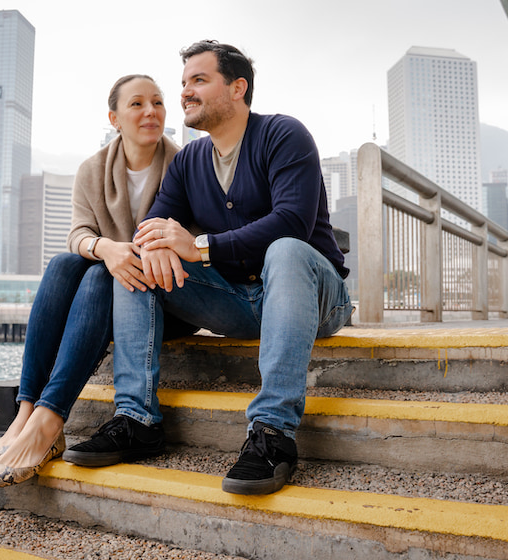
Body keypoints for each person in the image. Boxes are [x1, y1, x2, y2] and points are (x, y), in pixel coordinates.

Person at [62, 41, 353, 496]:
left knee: (287, 250)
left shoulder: (284, 134)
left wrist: (200, 246)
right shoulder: (190, 161)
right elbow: (152, 225)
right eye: (183, 83)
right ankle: (137, 419)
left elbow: (292, 220)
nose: (184, 93)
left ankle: (272, 433)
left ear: (238, 88)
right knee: (137, 260)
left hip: (316, 298)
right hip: (237, 302)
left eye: (198, 80)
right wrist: (153, 243)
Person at [0, 74, 183, 489]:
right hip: (110, 285)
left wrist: (118, 257)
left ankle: (47, 422)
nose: (151, 112)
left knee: (94, 276)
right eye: (138, 104)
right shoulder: (93, 169)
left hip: (160, 300)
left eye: (158, 102)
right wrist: (108, 249)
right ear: (115, 118)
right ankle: (28, 412)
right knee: (65, 264)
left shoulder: (182, 164)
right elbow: (78, 235)